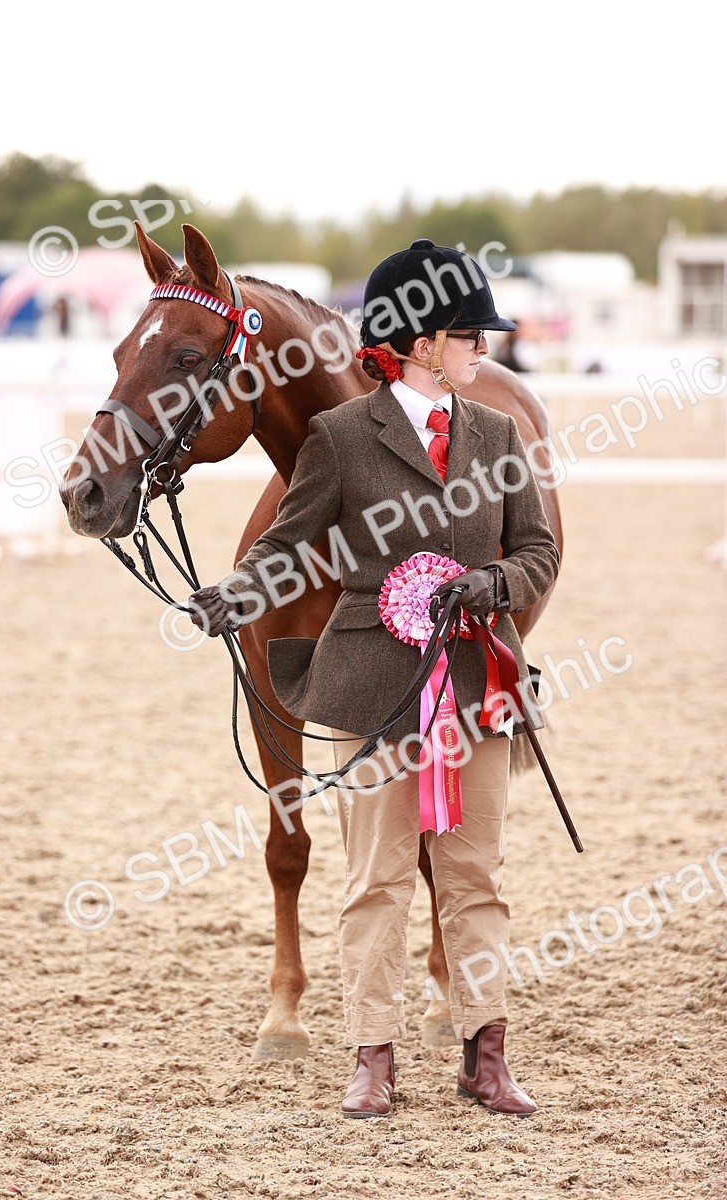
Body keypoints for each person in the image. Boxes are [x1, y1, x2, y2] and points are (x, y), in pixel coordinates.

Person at [188, 239, 560, 1120]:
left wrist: (495, 586)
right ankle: (373, 1056)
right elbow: (287, 537)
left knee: (476, 876)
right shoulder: (340, 438)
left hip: (475, 682)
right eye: (470, 335)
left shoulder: (501, 434)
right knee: (376, 879)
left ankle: (485, 1054)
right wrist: (237, 593)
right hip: (369, 683)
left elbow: (539, 553)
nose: (483, 348)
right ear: (423, 344)